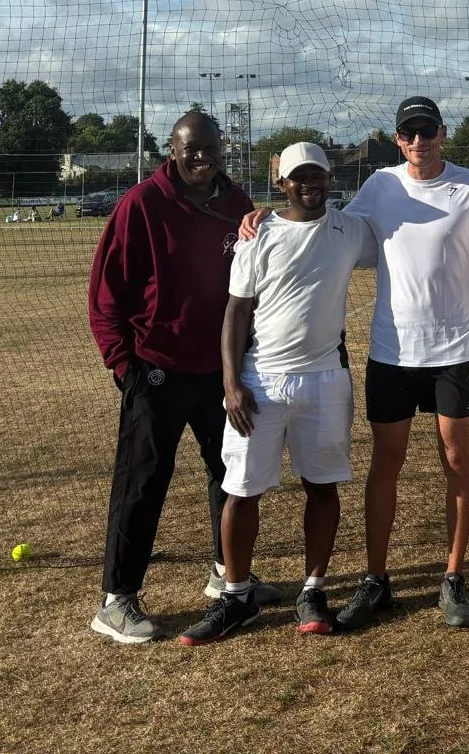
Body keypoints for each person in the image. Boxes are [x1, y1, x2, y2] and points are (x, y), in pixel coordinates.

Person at [87, 111, 281, 643]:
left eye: (209, 148)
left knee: (231, 473)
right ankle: (117, 598)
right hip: (155, 370)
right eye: (190, 148)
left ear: (223, 150)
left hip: (222, 373)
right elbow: (105, 296)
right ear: (172, 151)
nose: (201, 157)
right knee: (143, 480)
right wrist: (124, 366)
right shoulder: (141, 204)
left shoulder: (235, 204)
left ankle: (226, 574)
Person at [180, 142, 378, 645]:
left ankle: (313, 590)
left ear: (330, 179)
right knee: (241, 489)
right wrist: (232, 384)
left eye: (317, 175)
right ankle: (236, 594)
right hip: (261, 380)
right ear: (281, 184)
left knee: (322, 484)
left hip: (326, 380)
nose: (309, 184)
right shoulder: (259, 234)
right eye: (298, 177)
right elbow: (236, 313)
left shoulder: (350, 229)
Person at [335, 96, 469, 630]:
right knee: (387, 462)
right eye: (409, 132)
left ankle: (454, 578)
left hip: (455, 350)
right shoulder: (380, 185)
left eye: (427, 130)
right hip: (391, 352)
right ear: (398, 138)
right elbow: (333, 231)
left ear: (442, 133)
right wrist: (263, 220)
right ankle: (376, 578)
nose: (419, 140)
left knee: (457, 459)